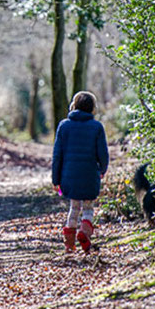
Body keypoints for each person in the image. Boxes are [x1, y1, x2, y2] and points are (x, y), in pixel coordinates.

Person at [52, 91, 109, 253]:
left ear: (74, 106)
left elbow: (57, 155)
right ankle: (84, 232)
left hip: (69, 177)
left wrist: (55, 179)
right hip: (90, 175)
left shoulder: (64, 125)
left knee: (74, 207)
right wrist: (102, 170)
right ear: (92, 107)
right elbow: (103, 154)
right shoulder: (97, 127)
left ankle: (69, 244)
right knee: (88, 208)